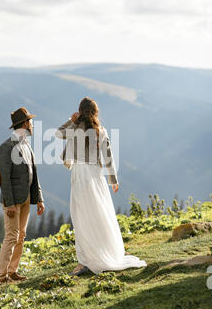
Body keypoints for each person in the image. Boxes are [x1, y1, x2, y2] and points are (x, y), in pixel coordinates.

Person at [55, 97, 146, 275]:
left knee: (81, 216)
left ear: (80, 111)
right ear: (96, 113)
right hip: (96, 175)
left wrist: (71, 120)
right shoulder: (101, 131)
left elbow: (58, 134)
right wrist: (113, 180)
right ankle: (104, 252)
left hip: (80, 174)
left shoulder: (74, 128)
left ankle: (85, 260)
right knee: (99, 213)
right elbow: (108, 157)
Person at [0, 107, 45, 284]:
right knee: (11, 236)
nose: (32, 124)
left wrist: (39, 198)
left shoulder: (26, 146)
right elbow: (4, 177)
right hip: (13, 201)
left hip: (25, 199)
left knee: (21, 235)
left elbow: (34, 173)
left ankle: (12, 271)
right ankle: (1, 277)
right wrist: (8, 203)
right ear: (24, 124)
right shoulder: (6, 147)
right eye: (30, 122)